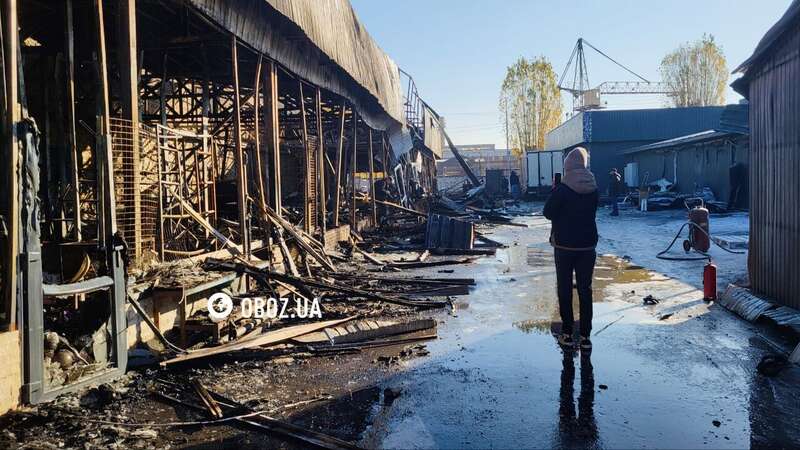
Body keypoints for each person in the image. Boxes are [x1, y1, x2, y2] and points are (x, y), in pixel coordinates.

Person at [543, 147, 599, 351]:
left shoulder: (562, 189)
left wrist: (554, 190)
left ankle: (567, 334)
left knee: (565, 289)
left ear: (568, 166)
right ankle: (585, 337)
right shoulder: (593, 187)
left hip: (565, 246)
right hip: (587, 246)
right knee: (585, 289)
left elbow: (548, 213)